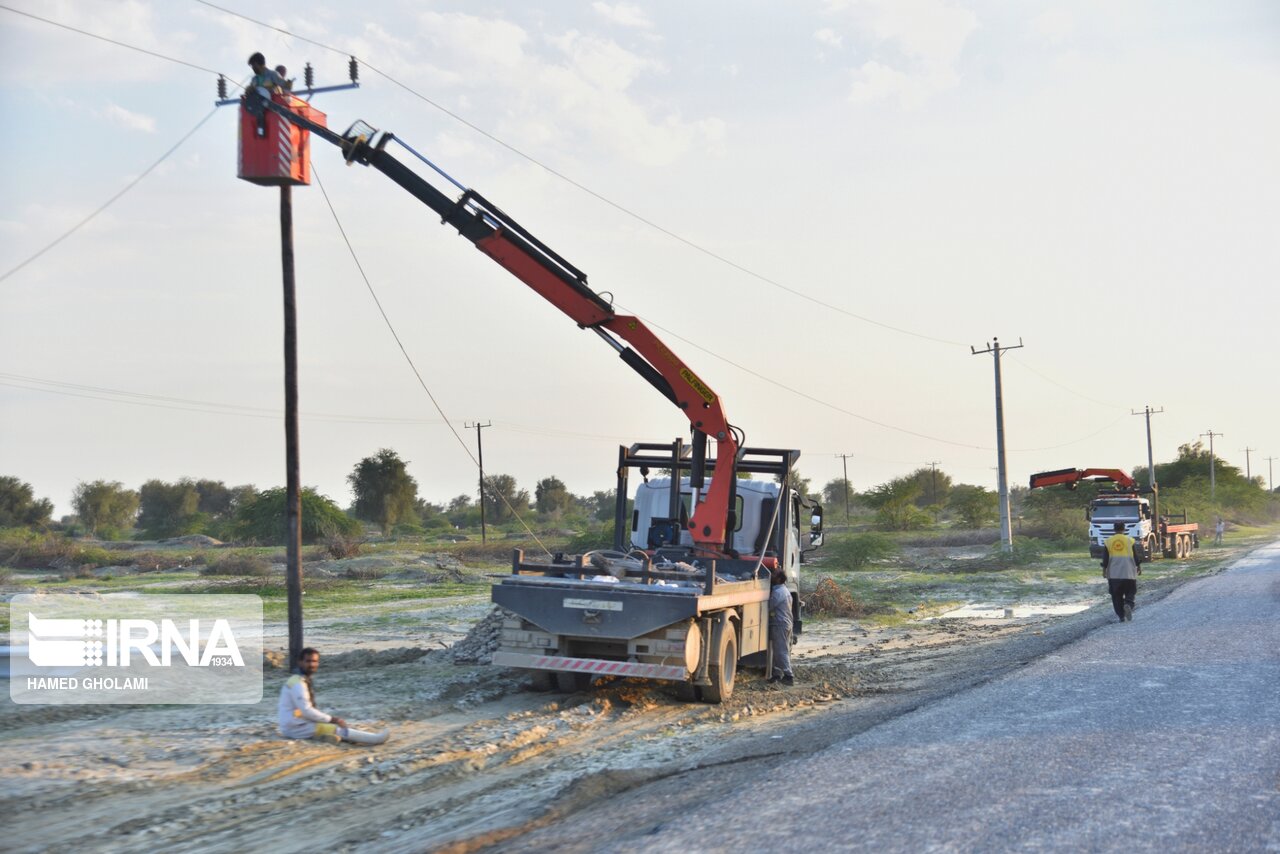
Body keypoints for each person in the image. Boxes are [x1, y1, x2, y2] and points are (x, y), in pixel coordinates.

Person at [278, 647, 388, 744]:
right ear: (300, 662)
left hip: (296, 723)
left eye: (315, 661)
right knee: (338, 728)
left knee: (329, 726)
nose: (312, 664)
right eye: (308, 661)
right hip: (296, 728)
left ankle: (326, 737)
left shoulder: (299, 679)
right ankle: (376, 739)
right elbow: (307, 711)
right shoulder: (298, 683)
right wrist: (333, 719)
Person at [1101, 523, 1141, 623]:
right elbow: (1135, 556)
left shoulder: (1108, 542)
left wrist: (1104, 570)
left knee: (1116, 596)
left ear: (1114, 529)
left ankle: (1121, 616)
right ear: (1124, 529)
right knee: (1131, 592)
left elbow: (1105, 559)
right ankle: (1128, 604)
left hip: (1114, 574)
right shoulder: (1130, 541)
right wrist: (1139, 566)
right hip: (1128, 573)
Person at [245, 52, 288, 136]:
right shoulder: (254, 79)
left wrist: (274, 88)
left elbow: (285, 87)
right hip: (259, 110)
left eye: (253, 66)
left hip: (273, 110)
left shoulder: (273, 75)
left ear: (257, 64)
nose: (253, 68)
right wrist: (249, 91)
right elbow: (251, 95)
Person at [767, 567, 795, 685]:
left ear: (779, 579)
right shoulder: (784, 590)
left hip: (780, 624)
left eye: (774, 574)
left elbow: (769, 606)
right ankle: (777, 675)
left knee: (781, 651)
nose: (772, 576)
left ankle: (789, 676)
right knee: (779, 650)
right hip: (785, 623)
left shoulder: (778, 592)